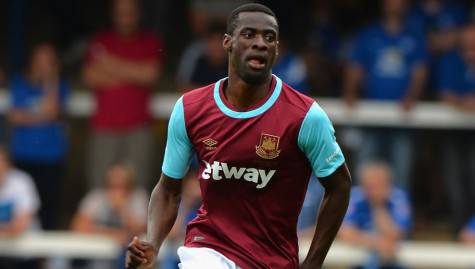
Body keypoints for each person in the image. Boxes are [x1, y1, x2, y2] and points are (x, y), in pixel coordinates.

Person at [125, 3, 351, 269]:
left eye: (269, 38)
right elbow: (168, 189)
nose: (260, 43)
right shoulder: (190, 109)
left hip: (272, 261)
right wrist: (153, 241)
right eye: (249, 34)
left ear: (276, 50)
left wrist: (312, 263)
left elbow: (340, 187)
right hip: (208, 249)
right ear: (227, 42)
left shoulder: (305, 117)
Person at [343, 0, 428, 189]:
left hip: (403, 117)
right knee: (364, 170)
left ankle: (398, 216)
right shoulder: (369, 34)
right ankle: (361, 215)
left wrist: (412, 97)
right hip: (371, 114)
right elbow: (355, 68)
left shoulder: (414, 36)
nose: (394, 4)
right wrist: (351, 93)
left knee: (400, 175)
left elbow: (420, 71)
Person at [83, 0, 162, 189]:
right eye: (121, 13)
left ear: (138, 15)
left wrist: (109, 64)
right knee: (99, 188)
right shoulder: (101, 40)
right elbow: (91, 77)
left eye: (130, 13)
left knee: (137, 188)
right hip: (104, 127)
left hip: (138, 127)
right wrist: (133, 72)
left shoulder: (149, 41)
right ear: (114, 15)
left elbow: (150, 75)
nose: (126, 18)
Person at [8, 42, 69, 230]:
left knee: (48, 209)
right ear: (32, 61)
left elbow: (52, 111)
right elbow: (15, 117)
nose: (43, 65)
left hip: (51, 157)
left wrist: (50, 80)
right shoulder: (19, 83)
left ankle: (45, 257)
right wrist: (41, 116)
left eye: (48, 61)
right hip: (23, 155)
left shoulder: (60, 86)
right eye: (40, 60)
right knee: (21, 206)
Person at [71, 163, 148, 268]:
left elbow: (142, 229)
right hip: (96, 259)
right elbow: (78, 227)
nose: (116, 191)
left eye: (122, 186)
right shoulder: (96, 197)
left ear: (130, 186)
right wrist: (114, 235)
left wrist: (122, 210)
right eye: (112, 186)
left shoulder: (138, 198)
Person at [437, 25, 475, 232]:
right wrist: (464, 103)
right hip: (454, 132)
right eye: (468, 40)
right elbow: (445, 94)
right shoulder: (451, 60)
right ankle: (460, 231)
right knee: (455, 181)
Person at [338, 161, 411, 269]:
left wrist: (378, 206)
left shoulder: (398, 198)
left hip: (393, 259)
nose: (373, 190)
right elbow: (344, 232)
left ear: (388, 184)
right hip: (360, 256)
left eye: (378, 184)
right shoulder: (355, 196)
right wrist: (376, 243)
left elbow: (396, 234)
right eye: (369, 185)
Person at [0, 147, 41, 269]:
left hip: (23, 254)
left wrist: (10, 230)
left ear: (8, 164)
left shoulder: (22, 181)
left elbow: (20, 226)